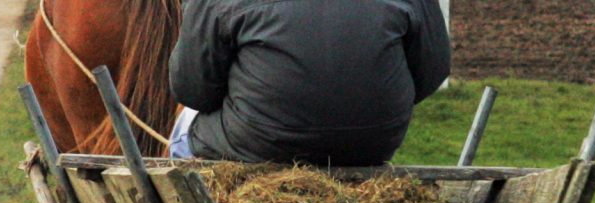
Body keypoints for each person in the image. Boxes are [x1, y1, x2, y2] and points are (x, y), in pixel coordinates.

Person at [167, 0, 451, 166]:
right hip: (372, 143)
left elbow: (192, 90)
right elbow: (431, 72)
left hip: (260, 142)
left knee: (182, 133)